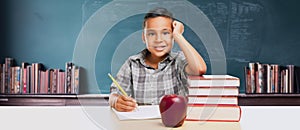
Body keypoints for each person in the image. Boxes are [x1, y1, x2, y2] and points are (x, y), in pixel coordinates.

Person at [109, 7, 207, 112]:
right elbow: (113, 95)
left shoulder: (178, 60)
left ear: (172, 36)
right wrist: (116, 101)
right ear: (144, 37)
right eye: (151, 34)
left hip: (174, 124)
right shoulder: (132, 63)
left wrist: (178, 35)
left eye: (165, 33)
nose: (158, 40)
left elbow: (199, 69)